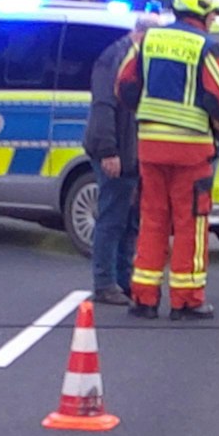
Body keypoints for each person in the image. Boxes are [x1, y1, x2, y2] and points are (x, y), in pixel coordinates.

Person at [116, 0, 219, 320]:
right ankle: (186, 300)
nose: (213, 19)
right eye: (212, 13)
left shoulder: (149, 39)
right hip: (191, 151)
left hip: (150, 149)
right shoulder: (207, 47)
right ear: (201, 10)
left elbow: (124, 86)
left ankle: (144, 298)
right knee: (190, 224)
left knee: (152, 220)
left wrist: (148, 116)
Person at [83, 20, 145, 306]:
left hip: (130, 152)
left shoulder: (131, 56)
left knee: (128, 220)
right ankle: (105, 282)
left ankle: (123, 279)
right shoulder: (114, 58)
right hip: (116, 151)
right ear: (141, 34)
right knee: (112, 219)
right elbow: (104, 107)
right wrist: (109, 151)